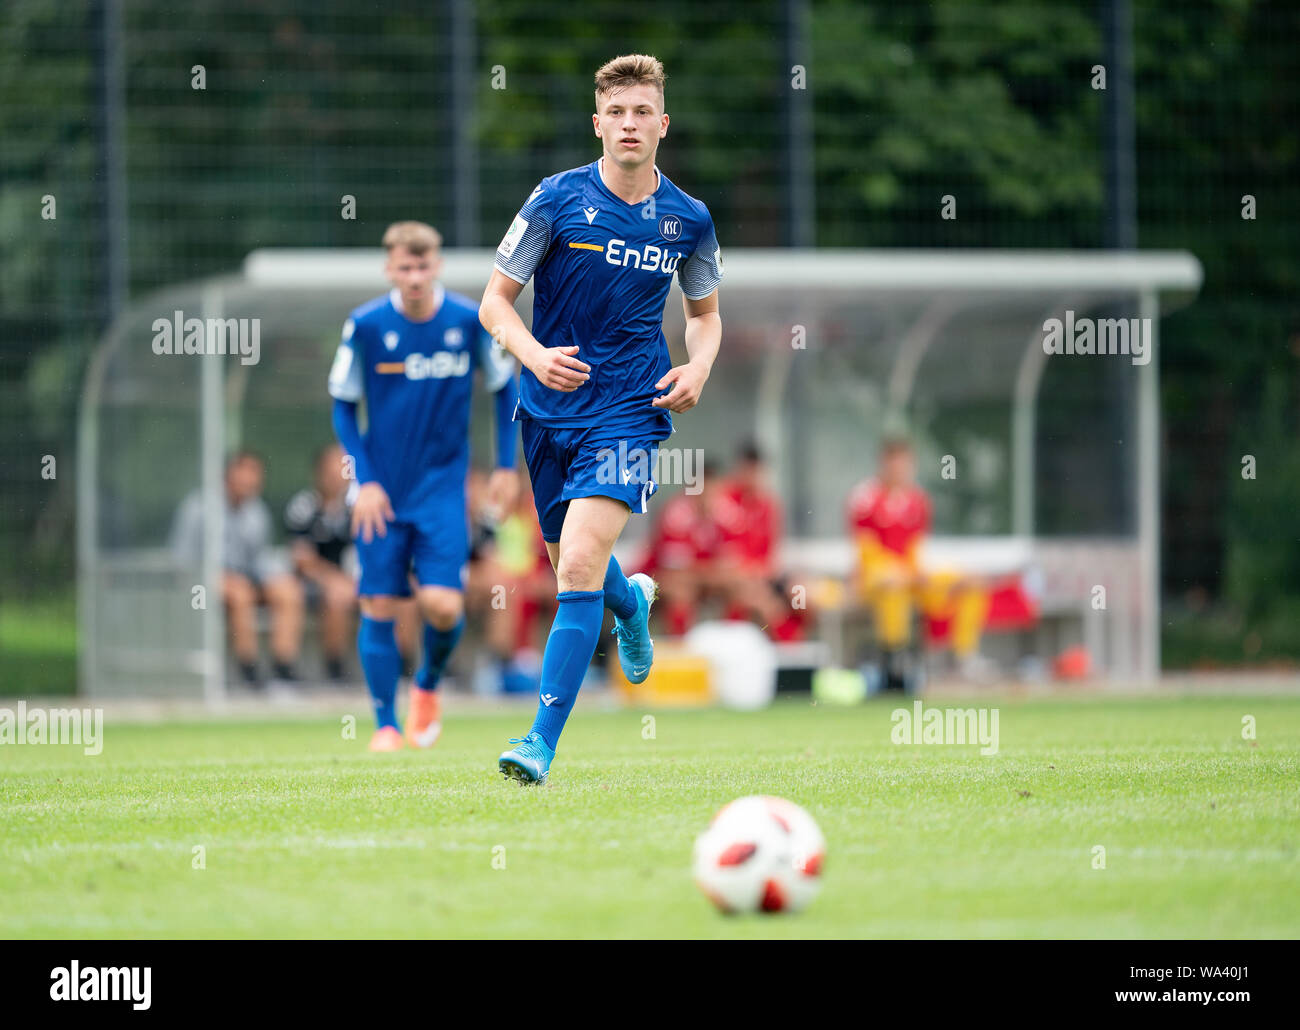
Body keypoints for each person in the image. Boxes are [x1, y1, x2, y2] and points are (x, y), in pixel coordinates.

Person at [479, 53, 724, 783]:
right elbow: (494, 301)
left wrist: (699, 367)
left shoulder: (689, 219)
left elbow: (706, 316)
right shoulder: (555, 199)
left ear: (662, 125)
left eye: (641, 112)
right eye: (616, 113)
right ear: (598, 123)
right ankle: (632, 602)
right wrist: (531, 354)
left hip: (629, 410)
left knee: (576, 567)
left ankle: (538, 743)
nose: (628, 124)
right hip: (547, 409)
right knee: (572, 566)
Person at [329, 221, 520, 751]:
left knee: (443, 606)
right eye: (404, 267)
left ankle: (428, 685)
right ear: (390, 269)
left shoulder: (469, 320)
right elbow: (343, 407)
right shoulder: (365, 325)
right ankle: (386, 725)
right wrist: (363, 482)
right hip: (380, 493)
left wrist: (506, 467)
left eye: (423, 266)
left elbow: (506, 391)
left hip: (441, 490)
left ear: (436, 266)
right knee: (379, 605)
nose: (414, 277)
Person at [846, 436, 990, 690]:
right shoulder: (865, 499)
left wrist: (919, 573)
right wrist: (898, 572)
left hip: (909, 576)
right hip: (875, 578)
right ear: (883, 464)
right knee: (893, 588)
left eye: (905, 464)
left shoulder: (918, 500)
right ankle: (895, 658)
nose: (900, 470)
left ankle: (963, 656)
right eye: (894, 464)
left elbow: (916, 550)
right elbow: (866, 552)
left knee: (970, 582)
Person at [170, 450, 304, 687]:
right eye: (244, 474)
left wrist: (279, 575)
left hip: (246, 579)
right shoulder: (199, 506)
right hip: (201, 585)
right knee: (240, 593)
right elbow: (183, 559)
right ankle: (249, 671)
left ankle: (283, 670)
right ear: (228, 475)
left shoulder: (256, 511)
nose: (250, 481)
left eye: (255, 475)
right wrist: (214, 577)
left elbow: (259, 559)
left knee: (288, 591)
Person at [284, 443, 360, 683]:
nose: (338, 475)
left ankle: (403, 670)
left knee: (399, 594)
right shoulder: (303, 506)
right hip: (314, 584)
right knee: (336, 596)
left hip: (355, 581)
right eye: (332, 468)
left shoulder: (357, 506)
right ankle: (334, 669)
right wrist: (332, 579)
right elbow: (302, 559)